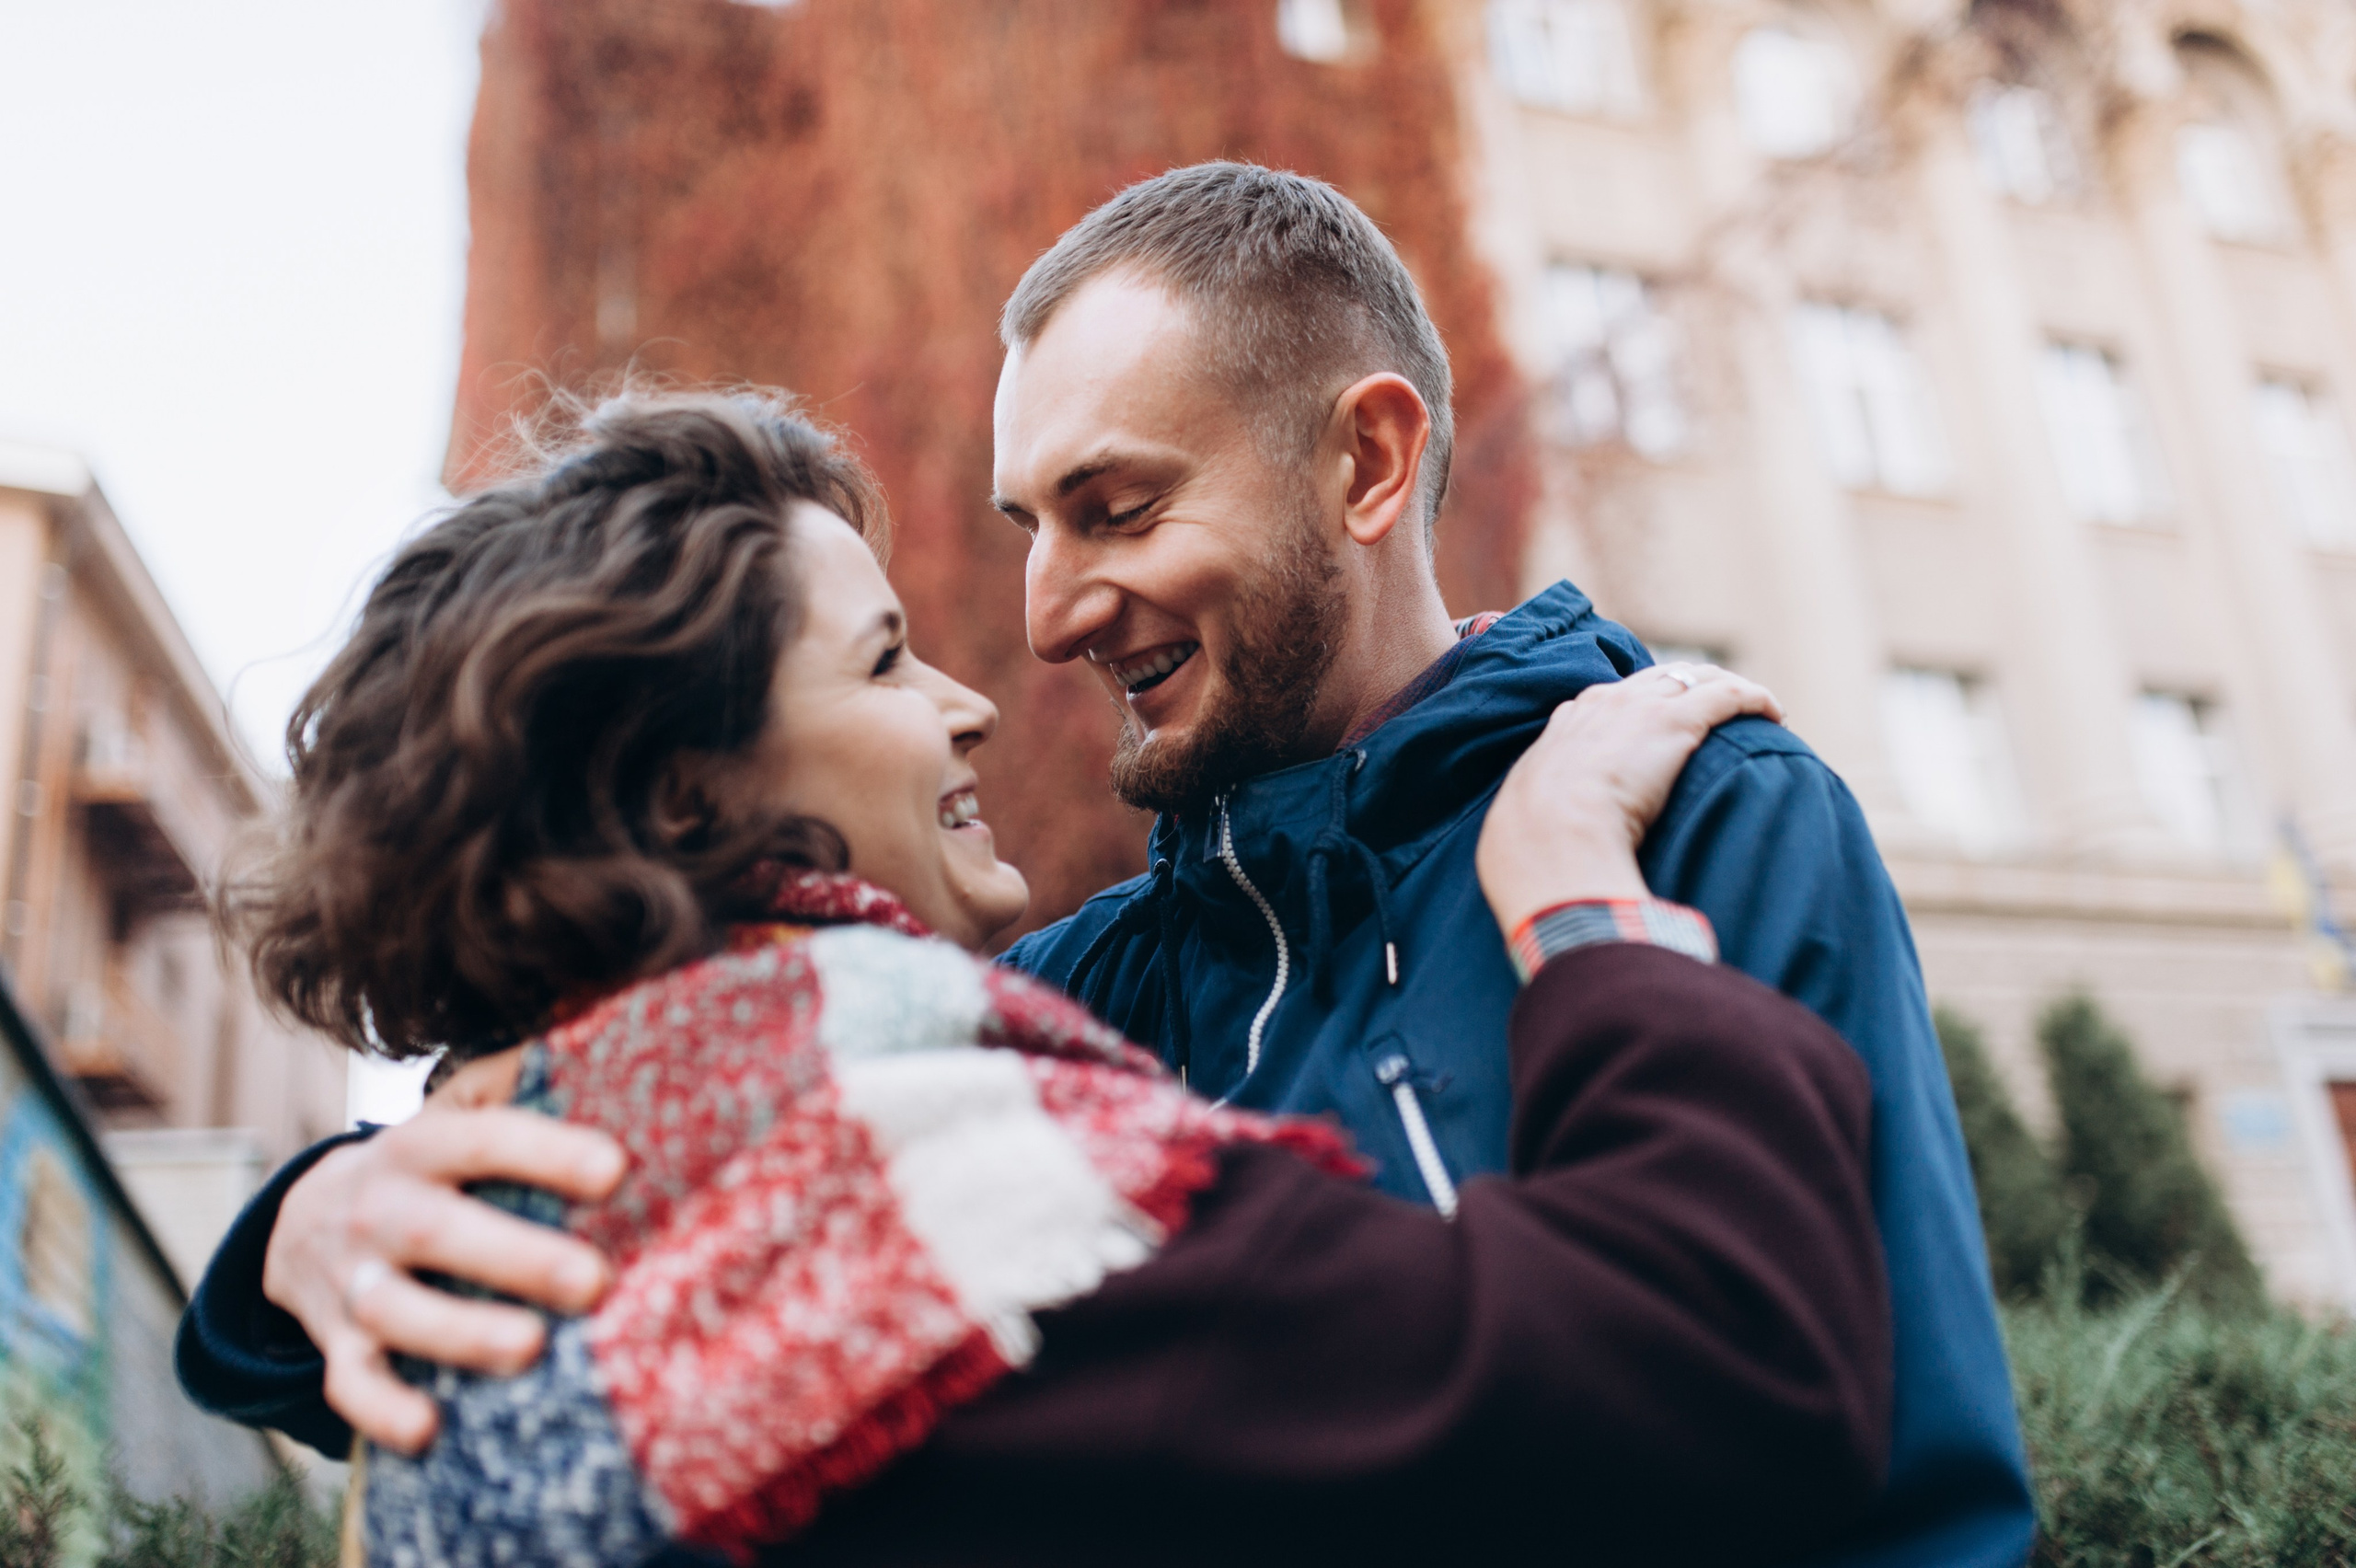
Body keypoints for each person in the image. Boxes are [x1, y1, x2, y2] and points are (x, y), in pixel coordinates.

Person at [181, 165, 2031, 1565]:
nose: (1043, 623)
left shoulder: (1702, 820)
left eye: (1114, 509)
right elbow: (662, 1164)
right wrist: (321, 1224)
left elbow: (1899, 1470)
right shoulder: (1037, 1020)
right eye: (1018, 533)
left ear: (1365, 466)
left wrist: (1578, 914)